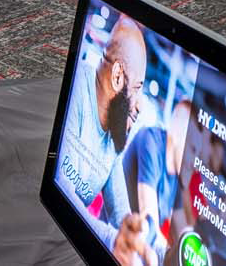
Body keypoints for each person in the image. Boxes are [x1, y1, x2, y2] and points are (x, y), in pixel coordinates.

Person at [56, 14, 155, 266]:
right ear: (118, 76)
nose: (140, 104)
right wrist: (112, 241)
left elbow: (119, 210)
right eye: (139, 86)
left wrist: (132, 238)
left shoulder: (113, 136)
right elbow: (61, 188)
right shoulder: (78, 85)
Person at [122, 98, 193, 263]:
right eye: (193, 149)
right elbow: (150, 220)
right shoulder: (151, 140)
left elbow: (183, 232)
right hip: (114, 241)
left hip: (137, 254)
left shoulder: (178, 175)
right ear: (176, 136)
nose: (195, 162)